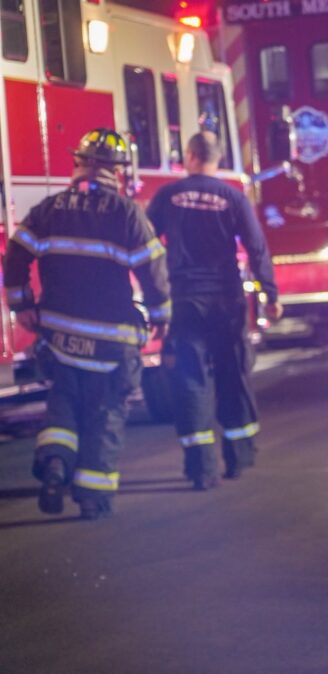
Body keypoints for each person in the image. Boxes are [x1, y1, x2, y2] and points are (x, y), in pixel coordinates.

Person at [3, 128, 171, 520]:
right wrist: (161, 316)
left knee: (62, 402)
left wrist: (22, 303)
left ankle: (56, 462)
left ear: (78, 163)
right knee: (105, 413)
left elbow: (15, 253)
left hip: (59, 335)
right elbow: (153, 269)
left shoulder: (48, 209)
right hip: (111, 340)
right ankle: (92, 496)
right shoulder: (128, 213)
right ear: (117, 171)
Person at [146, 132, 282, 491]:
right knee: (232, 374)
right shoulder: (232, 197)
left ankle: (201, 469)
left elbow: (145, 244)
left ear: (189, 156)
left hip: (185, 303)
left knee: (190, 381)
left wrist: (153, 296)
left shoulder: (168, 196)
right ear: (217, 159)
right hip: (226, 302)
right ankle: (239, 457)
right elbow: (256, 247)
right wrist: (270, 293)